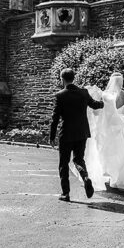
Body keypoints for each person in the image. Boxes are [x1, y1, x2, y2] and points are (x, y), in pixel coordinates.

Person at [49, 68, 104, 202]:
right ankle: (85, 177)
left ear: (62, 79)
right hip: (82, 132)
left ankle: (66, 193)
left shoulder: (60, 95)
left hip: (66, 133)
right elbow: (95, 105)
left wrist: (51, 137)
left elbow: (55, 118)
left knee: (64, 163)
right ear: (74, 78)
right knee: (79, 159)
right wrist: (104, 101)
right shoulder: (84, 93)